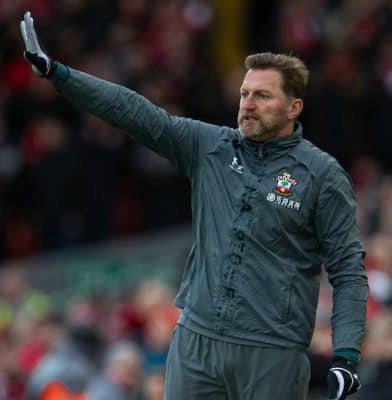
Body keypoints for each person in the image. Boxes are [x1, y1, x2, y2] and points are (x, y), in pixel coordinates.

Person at [19, 11, 368, 400]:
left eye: (263, 96)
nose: (248, 104)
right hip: (196, 341)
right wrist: (60, 74)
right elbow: (134, 112)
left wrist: (346, 354)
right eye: (244, 94)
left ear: (293, 108)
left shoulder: (322, 174)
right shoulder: (210, 146)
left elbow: (348, 271)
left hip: (272, 351)